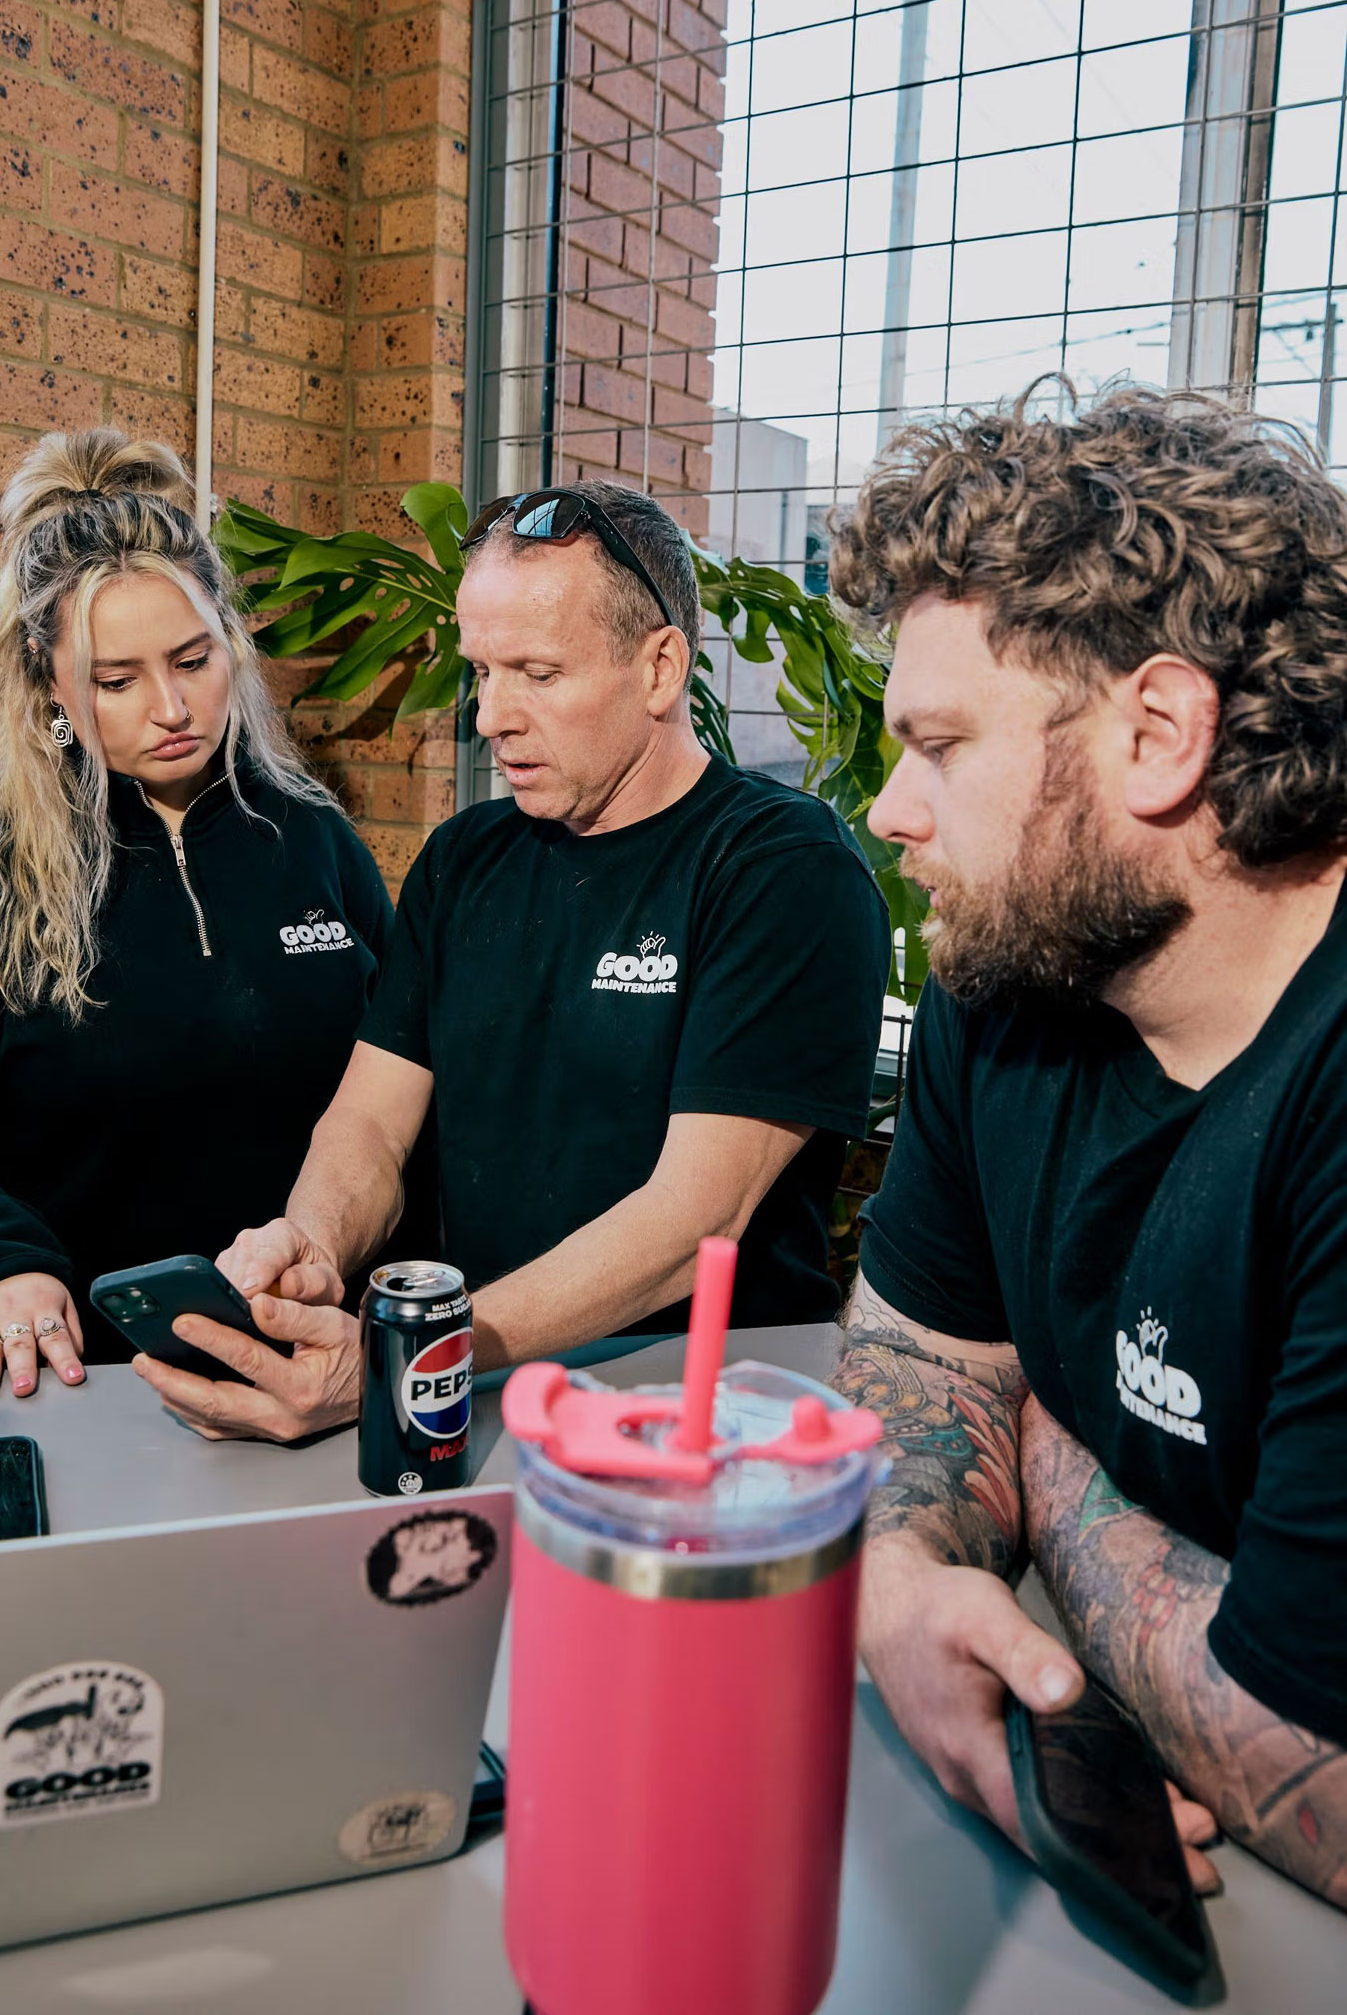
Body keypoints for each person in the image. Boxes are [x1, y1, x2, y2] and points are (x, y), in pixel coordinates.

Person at [827, 384, 1347, 1906]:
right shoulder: (1013, 983)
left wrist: (1049, 1460)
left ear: (1161, 733)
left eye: (938, 744)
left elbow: (1320, 1748)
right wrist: (901, 1587)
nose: (888, 806)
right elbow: (925, 1366)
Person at [132, 481, 891, 1441]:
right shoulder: (465, 858)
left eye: (536, 672)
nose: (492, 715)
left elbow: (689, 1223)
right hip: (485, 1391)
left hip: (702, 1413)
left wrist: (420, 1347)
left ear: (660, 669)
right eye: (482, 672)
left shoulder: (781, 869)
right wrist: (314, 1243)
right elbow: (369, 1122)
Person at [0, 428, 397, 1392]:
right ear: (51, 682)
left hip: (294, 1369)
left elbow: (396, 1079)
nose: (171, 706)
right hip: (65, 1379)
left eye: (192, 660)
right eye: (117, 680)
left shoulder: (313, 840)